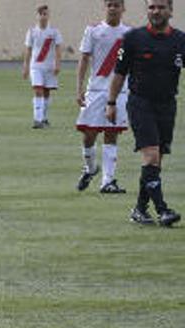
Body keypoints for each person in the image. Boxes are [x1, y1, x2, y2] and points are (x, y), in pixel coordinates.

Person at [107, 0, 183, 226]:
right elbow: (119, 73)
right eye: (151, 7)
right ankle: (163, 211)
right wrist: (111, 102)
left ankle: (140, 209)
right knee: (150, 155)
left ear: (170, 11)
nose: (156, 11)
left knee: (156, 161)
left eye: (161, 7)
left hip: (167, 105)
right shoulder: (133, 39)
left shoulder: (180, 40)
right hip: (141, 103)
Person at [75, 0, 132, 193]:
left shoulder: (130, 34)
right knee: (88, 135)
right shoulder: (93, 30)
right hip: (96, 91)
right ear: (104, 7)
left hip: (119, 92)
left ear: (123, 8)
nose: (113, 8)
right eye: (110, 4)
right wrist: (79, 88)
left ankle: (107, 181)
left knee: (112, 134)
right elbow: (84, 59)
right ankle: (90, 168)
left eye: (117, 5)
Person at [24, 5, 63, 128]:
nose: (43, 16)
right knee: (38, 90)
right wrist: (25, 66)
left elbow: (58, 48)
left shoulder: (54, 32)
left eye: (45, 14)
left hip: (49, 67)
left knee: (46, 92)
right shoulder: (31, 31)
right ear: (37, 16)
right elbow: (28, 49)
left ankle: (44, 118)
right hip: (36, 66)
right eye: (40, 14)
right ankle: (37, 120)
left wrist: (57, 64)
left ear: (48, 15)